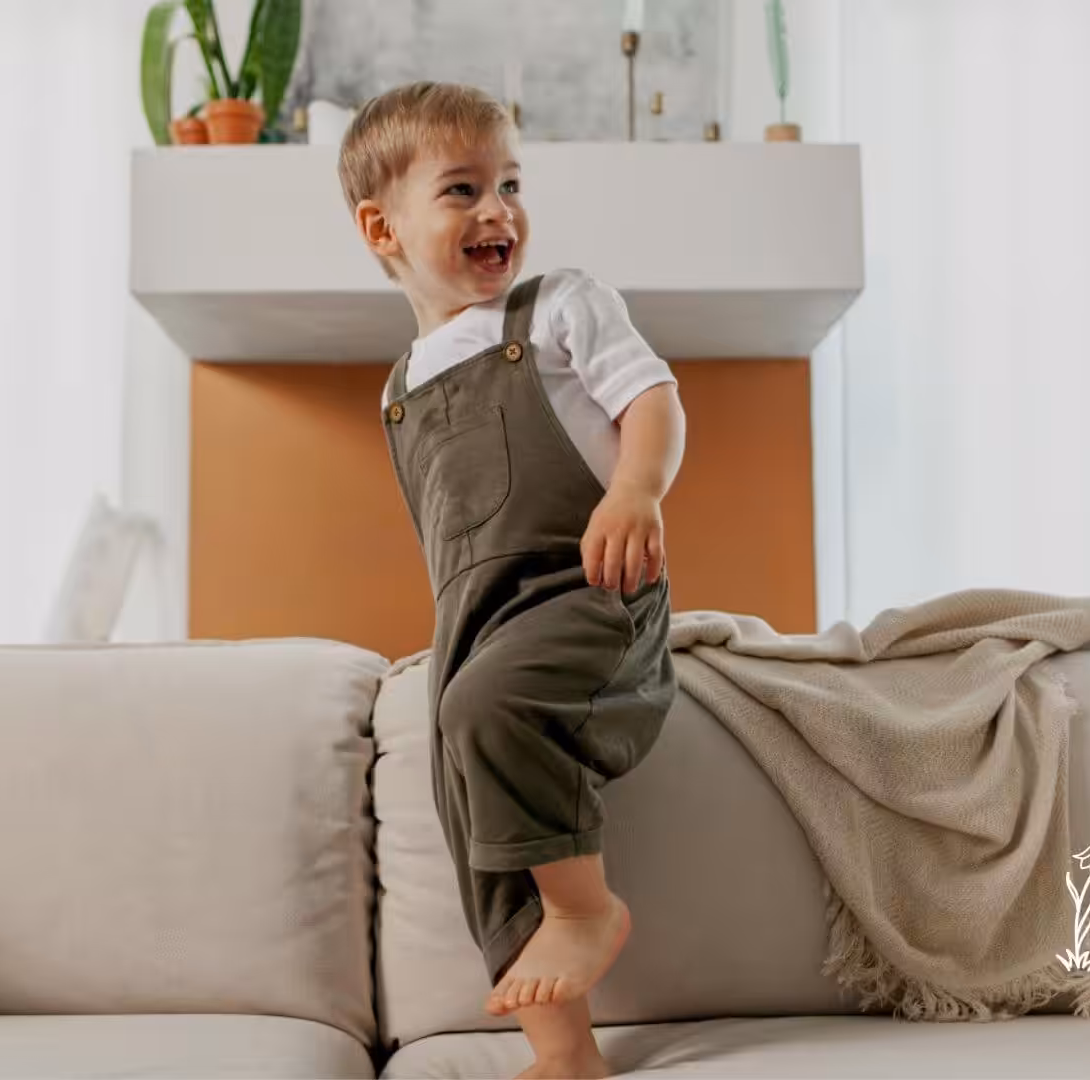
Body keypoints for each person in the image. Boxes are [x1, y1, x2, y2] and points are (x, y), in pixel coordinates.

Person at [338, 81, 687, 1079]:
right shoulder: (400, 392)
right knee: (469, 803)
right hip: (481, 625)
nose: (499, 210)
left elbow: (654, 399)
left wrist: (636, 490)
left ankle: (586, 908)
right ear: (383, 229)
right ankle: (566, 1054)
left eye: (511, 184)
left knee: (487, 704)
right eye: (462, 189)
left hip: (593, 593)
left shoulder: (561, 304)